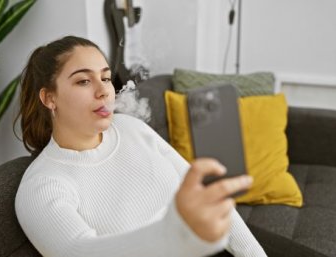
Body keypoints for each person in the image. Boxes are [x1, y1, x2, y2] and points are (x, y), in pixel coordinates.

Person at [14, 35, 267, 257]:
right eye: (83, 81)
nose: (104, 91)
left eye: (105, 77)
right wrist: (180, 233)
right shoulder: (42, 185)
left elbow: (210, 199)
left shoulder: (130, 128)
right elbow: (80, 251)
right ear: (49, 98)